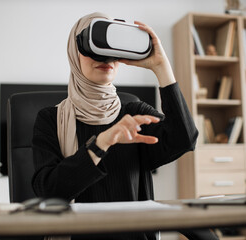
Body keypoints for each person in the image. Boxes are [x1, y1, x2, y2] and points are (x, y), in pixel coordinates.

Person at [32, 12, 218, 240]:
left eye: (111, 50)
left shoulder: (133, 111)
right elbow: (48, 191)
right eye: (94, 46)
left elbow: (184, 139)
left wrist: (161, 67)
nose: (105, 58)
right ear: (74, 52)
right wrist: (101, 143)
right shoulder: (50, 119)